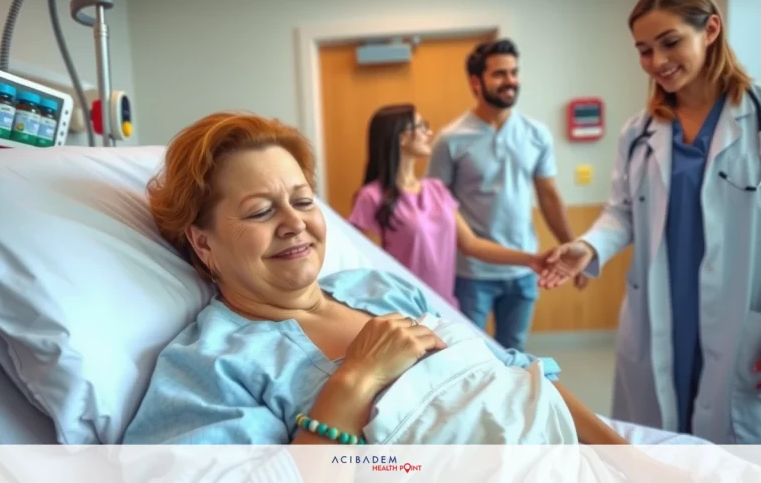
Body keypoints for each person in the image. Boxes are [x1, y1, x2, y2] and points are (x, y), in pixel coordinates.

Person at [121, 111, 634, 448]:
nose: (295, 222)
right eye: (259, 211)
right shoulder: (212, 365)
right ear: (203, 242)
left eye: (303, 201)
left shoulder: (379, 288)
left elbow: (522, 378)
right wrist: (356, 378)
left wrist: (632, 462)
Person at [539, 0, 761, 444]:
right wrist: (587, 245)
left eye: (670, 42)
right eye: (644, 50)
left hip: (743, 313)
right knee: (659, 443)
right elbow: (620, 212)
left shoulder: (754, 119)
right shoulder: (638, 132)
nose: (657, 61)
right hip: (664, 309)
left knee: (733, 451)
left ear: (711, 29)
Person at [426, 38, 586, 352]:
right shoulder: (450, 140)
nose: (510, 81)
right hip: (471, 274)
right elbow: (436, 206)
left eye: (514, 72)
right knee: (465, 353)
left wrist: (572, 247)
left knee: (513, 353)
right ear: (476, 82)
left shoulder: (536, 134)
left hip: (525, 271)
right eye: (500, 74)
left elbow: (549, 196)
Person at [349, 103, 558, 309]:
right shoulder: (371, 198)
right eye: (421, 126)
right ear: (401, 138)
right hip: (401, 310)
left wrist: (531, 259)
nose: (428, 133)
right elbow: (370, 267)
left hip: (444, 306)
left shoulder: (436, 190)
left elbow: (472, 245)